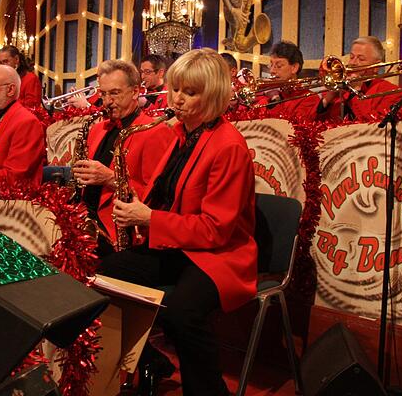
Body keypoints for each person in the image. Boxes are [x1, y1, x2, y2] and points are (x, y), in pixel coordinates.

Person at [100, 48, 257, 395]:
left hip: (219, 255)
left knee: (183, 313)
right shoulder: (181, 134)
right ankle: (147, 363)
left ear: (213, 94)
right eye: (175, 90)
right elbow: (166, 194)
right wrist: (139, 206)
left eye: (190, 92)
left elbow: (216, 229)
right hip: (180, 246)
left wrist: (149, 217)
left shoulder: (229, 146)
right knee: (107, 271)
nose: (177, 99)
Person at [72, 60, 173, 256]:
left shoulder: (154, 132)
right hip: (85, 218)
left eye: (115, 93)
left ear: (135, 92)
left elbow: (155, 198)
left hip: (117, 230)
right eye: (103, 94)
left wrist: (111, 179)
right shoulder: (97, 128)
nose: (107, 101)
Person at [318, 36, 402, 121]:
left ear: (376, 67)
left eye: (361, 59)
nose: (352, 63)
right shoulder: (342, 90)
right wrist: (328, 98)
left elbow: (375, 125)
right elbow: (318, 124)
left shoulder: (391, 92)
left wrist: (355, 91)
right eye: (352, 57)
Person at [256, 41, 320, 121]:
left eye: (278, 66)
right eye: (271, 65)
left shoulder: (310, 98)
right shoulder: (267, 96)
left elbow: (292, 128)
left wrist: (275, 100)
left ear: (294, 68)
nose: (272, 70)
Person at [0, 45, 43, 110]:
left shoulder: (31, 79)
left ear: (16, 59)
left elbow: (32, 108)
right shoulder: (3, 79)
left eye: (5, 61)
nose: (1, 66)